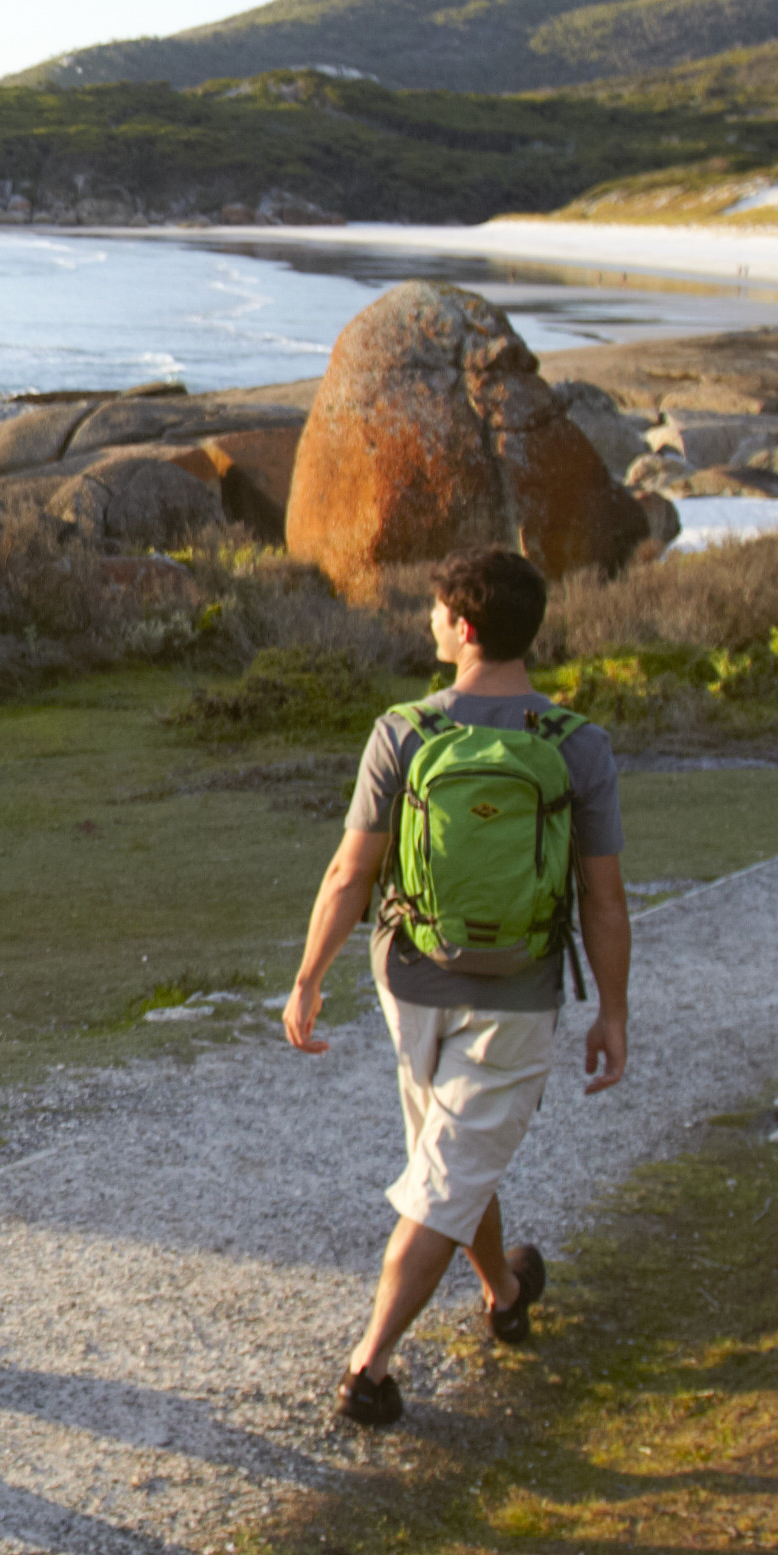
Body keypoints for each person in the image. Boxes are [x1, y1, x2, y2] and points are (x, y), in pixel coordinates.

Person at [277, 546, 628, 1430]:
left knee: (447, 1157)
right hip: (519, 991)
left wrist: (309, 975)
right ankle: (370, 1366)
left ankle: (504, 1291)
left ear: (464, 629)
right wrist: (612, 1010)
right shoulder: (577, 744)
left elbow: (349, 872)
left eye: (437, 612)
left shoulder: (404, 730)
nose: (429, 623)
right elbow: (604, 895)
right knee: (447, 1171)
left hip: (410, 981)